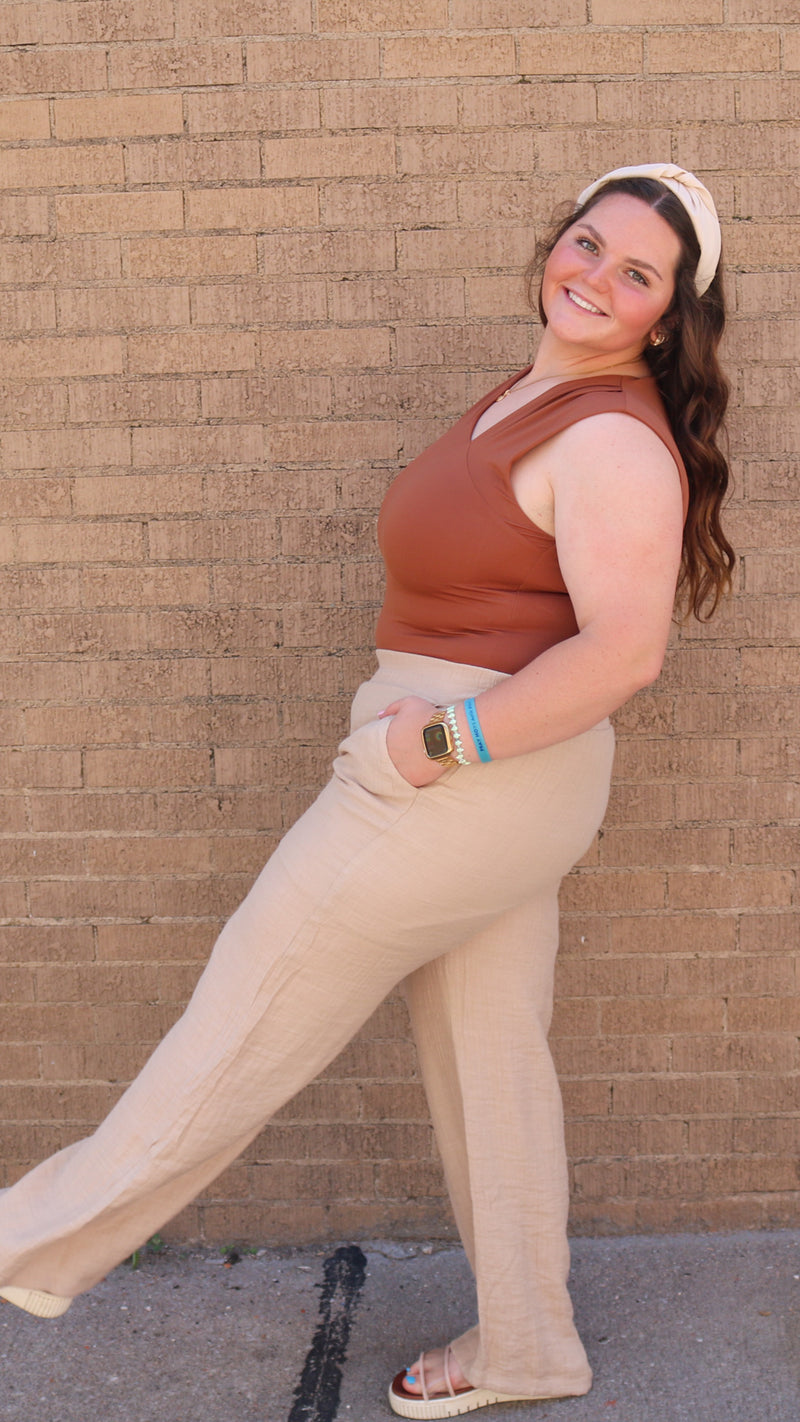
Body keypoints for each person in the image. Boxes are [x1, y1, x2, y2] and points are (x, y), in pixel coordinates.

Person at [0, 163, 733, 1418]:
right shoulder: (531, 395)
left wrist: (432, 744)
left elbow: (623, 654)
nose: (593, 278)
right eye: (584, 243)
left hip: (462, 780)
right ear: (551, 244)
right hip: (478, 781)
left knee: (243, 1013)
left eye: (634, 273)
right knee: (489, 1063)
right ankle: (529, 1345)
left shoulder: (610, 438)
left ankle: (27, 1241)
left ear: (665, 318)